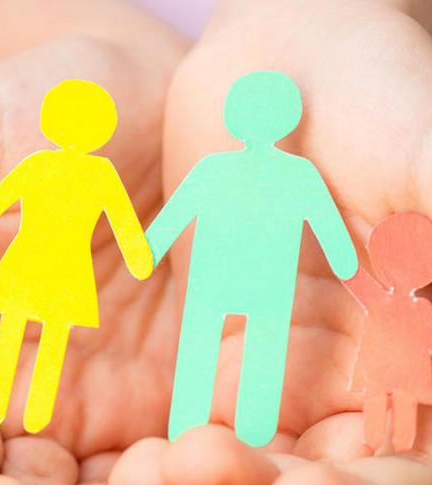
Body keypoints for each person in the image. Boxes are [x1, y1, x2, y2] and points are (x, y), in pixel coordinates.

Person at [146, 70, 359, 447]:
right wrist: (346, 265)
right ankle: (251, 427)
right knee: (264, 345)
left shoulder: (215, 168)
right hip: (266, 280)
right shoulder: (297, 173)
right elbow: (330, 229)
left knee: (203, 341)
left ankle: (196, 422)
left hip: (216, 276)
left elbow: (172, 218)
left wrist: (146, 252)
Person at [0, 79, 154, 434]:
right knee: (45, 335)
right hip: (57, 265)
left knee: (21, 330)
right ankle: (21, 411)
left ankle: (12, 410)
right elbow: (125, 224)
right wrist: (138, 257)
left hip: (40, 261)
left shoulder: (46, 166)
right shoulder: (94, 172)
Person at [344, 212, 432, 452]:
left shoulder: (389, 302)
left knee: (392, 398)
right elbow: (352, 278)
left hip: (393, 367)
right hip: (392, 368)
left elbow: (352, 278)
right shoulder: (397, 303)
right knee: (387, 398)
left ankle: (392, 441)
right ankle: (383, 440)